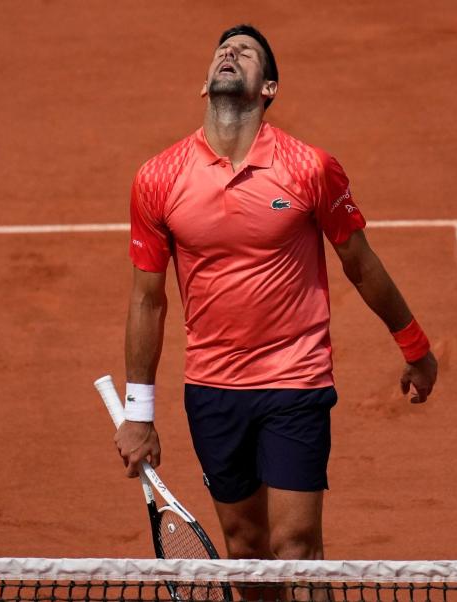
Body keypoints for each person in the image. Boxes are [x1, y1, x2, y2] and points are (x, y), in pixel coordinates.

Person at [114, 24, 438, 562]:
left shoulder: (309, 168)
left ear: (269, 89)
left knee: (297, 549)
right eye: (223, 51)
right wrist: (139, 413)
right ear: (205, 84)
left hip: (295, 380)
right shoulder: (157, 178)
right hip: (213, 387)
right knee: (245, 550)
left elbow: (360, 263)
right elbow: (147, 299)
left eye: (246, 53)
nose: (231, 54)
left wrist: (415, 346)